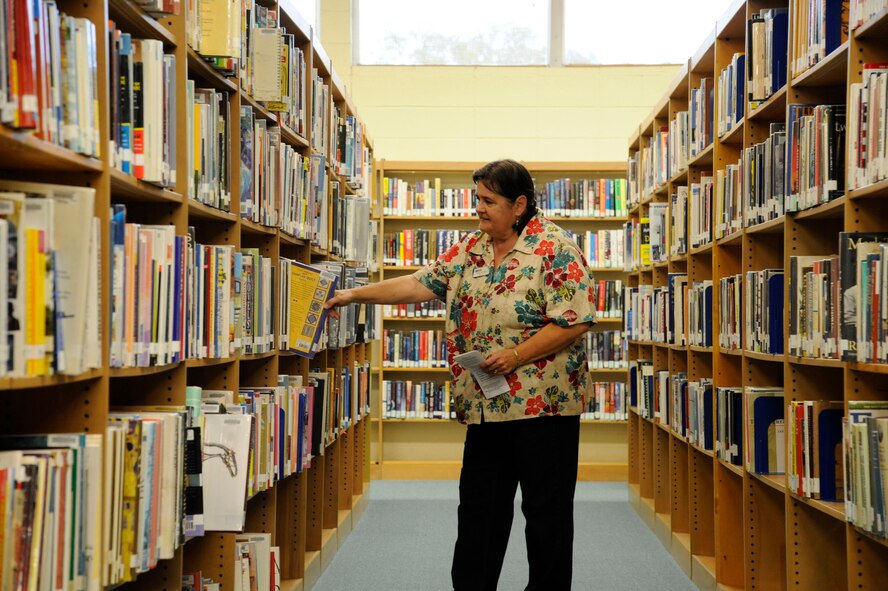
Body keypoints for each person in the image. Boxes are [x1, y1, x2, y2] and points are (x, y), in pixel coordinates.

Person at [325, 159, 598, 590]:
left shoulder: (556, 248)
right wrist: (354, 294)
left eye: (489, 201)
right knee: (478, 511)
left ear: (519, 204)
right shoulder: (470, 246)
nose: (479, 208)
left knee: (546, 515)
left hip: (543, 407)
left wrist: (516, 355)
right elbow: (419, 283)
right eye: (477, 199)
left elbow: (576, 320)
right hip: (486, 405)